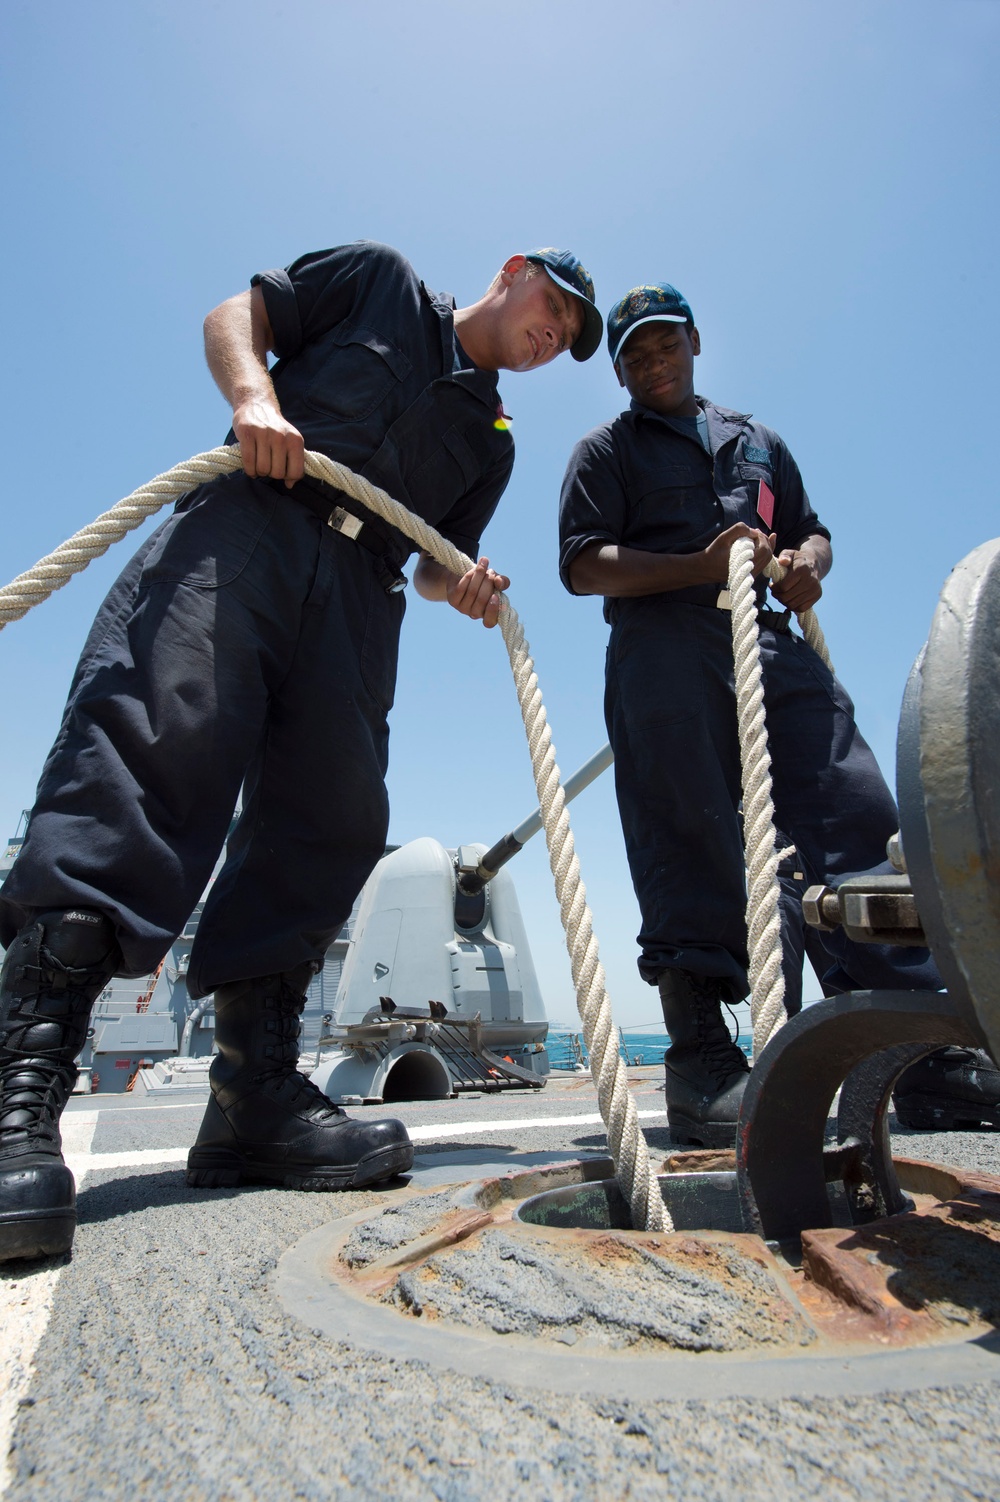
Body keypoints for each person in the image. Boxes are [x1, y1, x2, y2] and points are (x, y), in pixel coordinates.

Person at [0, 241, 603, 1263]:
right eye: (558, 308)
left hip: (360, 598)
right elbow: (234, 317)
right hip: (251, 526)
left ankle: (251, 1099)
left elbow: (424, 561)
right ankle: (21, 1090)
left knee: (331, 815)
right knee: (155, 740)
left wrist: (456, 582)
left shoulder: (490, 442)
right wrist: (254, 397)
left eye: (573, 338)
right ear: (515, 272)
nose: (557, 337)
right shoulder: (378, 281)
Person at [558, 280, 943, 1148]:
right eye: (634, 356)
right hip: (662, 646)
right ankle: (700, 1064)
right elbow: (583, 565)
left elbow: (813, 529)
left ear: (694, 342)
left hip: (767, 640)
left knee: (858, 810)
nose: (654, 364)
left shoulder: (758, 441)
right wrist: (697, 566)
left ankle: (910, 1051)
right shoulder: (604, 451)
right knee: (684, 827)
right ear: (619, 373)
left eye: (665, 346)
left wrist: (808, 563)